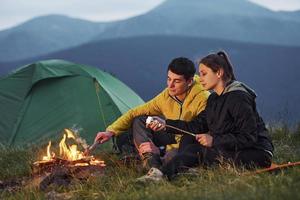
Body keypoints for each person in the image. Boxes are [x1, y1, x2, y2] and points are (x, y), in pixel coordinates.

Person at [137, 50, 274, 181]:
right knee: (188, 139)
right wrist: (166, 124)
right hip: (230, 148)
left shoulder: (238, 98)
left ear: (219, 72)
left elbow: (248, 137)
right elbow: (197, 125)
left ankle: (160, 176)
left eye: (203, 74)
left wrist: (214, 140)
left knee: (200, 152)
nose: (200, 79)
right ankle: (184, 169)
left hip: (256, 153)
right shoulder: (214, 99)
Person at [94, 57, 210, 169]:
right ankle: (149, 158)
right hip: (171, 135)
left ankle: (153, 164)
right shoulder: (166, 96)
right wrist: (110, 131)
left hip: (190, 143)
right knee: (139, 120)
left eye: (177, 81)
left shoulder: (203, 98)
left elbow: (199, 131)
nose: (170, 85)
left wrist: (161, 150)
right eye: (169, 79)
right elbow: (135, 112)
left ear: (189, 81)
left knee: (173, 158)